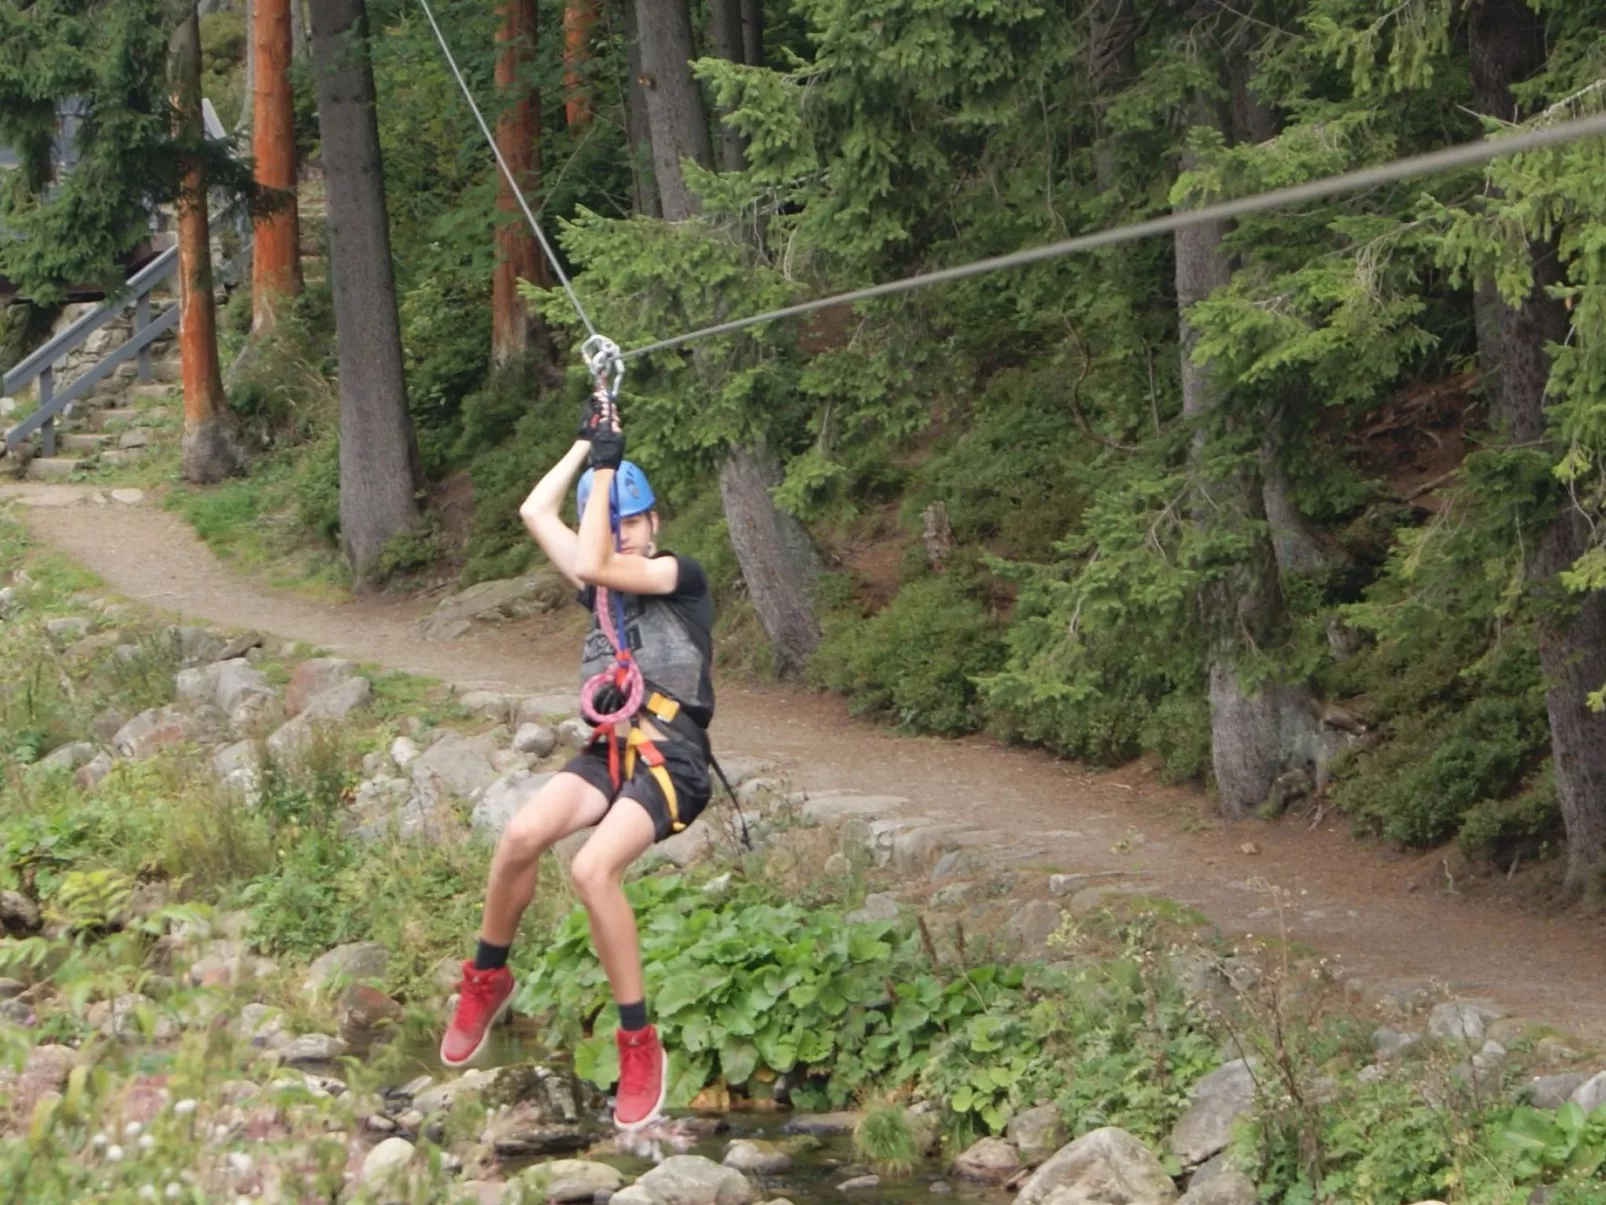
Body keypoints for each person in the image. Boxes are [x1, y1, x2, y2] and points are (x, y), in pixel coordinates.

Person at [439, 394, 716, 1132]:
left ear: (655, 523)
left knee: (592, 868)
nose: (625, 536)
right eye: (614, 521)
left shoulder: (678, 576)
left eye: (633, 520)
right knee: (521, 836)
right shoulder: (598, 582)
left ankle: (637, 1040)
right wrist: (585, 446)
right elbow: (537, 512)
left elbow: (596, 556)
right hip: (611, 750)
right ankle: (487, 976)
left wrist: (608, 467)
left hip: (673, 759)